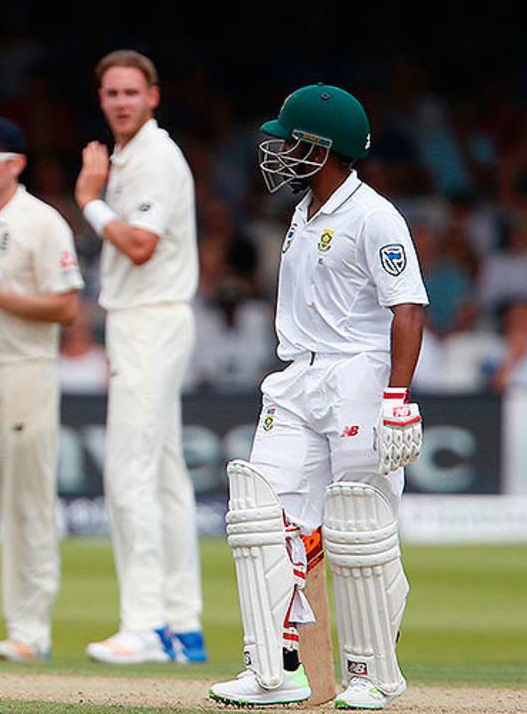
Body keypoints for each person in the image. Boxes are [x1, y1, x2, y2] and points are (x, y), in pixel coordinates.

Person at [209, 83, 427, 710]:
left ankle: (370, 674)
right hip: (296, 377)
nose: (278, 152)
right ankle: (273, 668)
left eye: (291, 141)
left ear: (322, 149)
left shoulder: (375, 216)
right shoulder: (304, 210)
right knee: (261, 516)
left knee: (360, 525)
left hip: (357, 376)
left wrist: (396, 397)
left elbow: (407, 307)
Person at [74, 50, 204, 664]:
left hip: (150, 319)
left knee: (128, 473)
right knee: (164, 473)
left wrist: (90, 200)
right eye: (111, 93)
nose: (121, 102)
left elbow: (142, 245)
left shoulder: (154, 157)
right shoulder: (131, 156)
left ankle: (146, 625)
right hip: (144, 319)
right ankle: (183, 625)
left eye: (131, 92)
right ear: (102, 100)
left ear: (153, 96)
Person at [0, 115, 83, 662]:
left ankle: (29, 631)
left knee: (27, 504)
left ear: (16, 164)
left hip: (25, 370)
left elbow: (67, 306)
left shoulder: (42, 222)